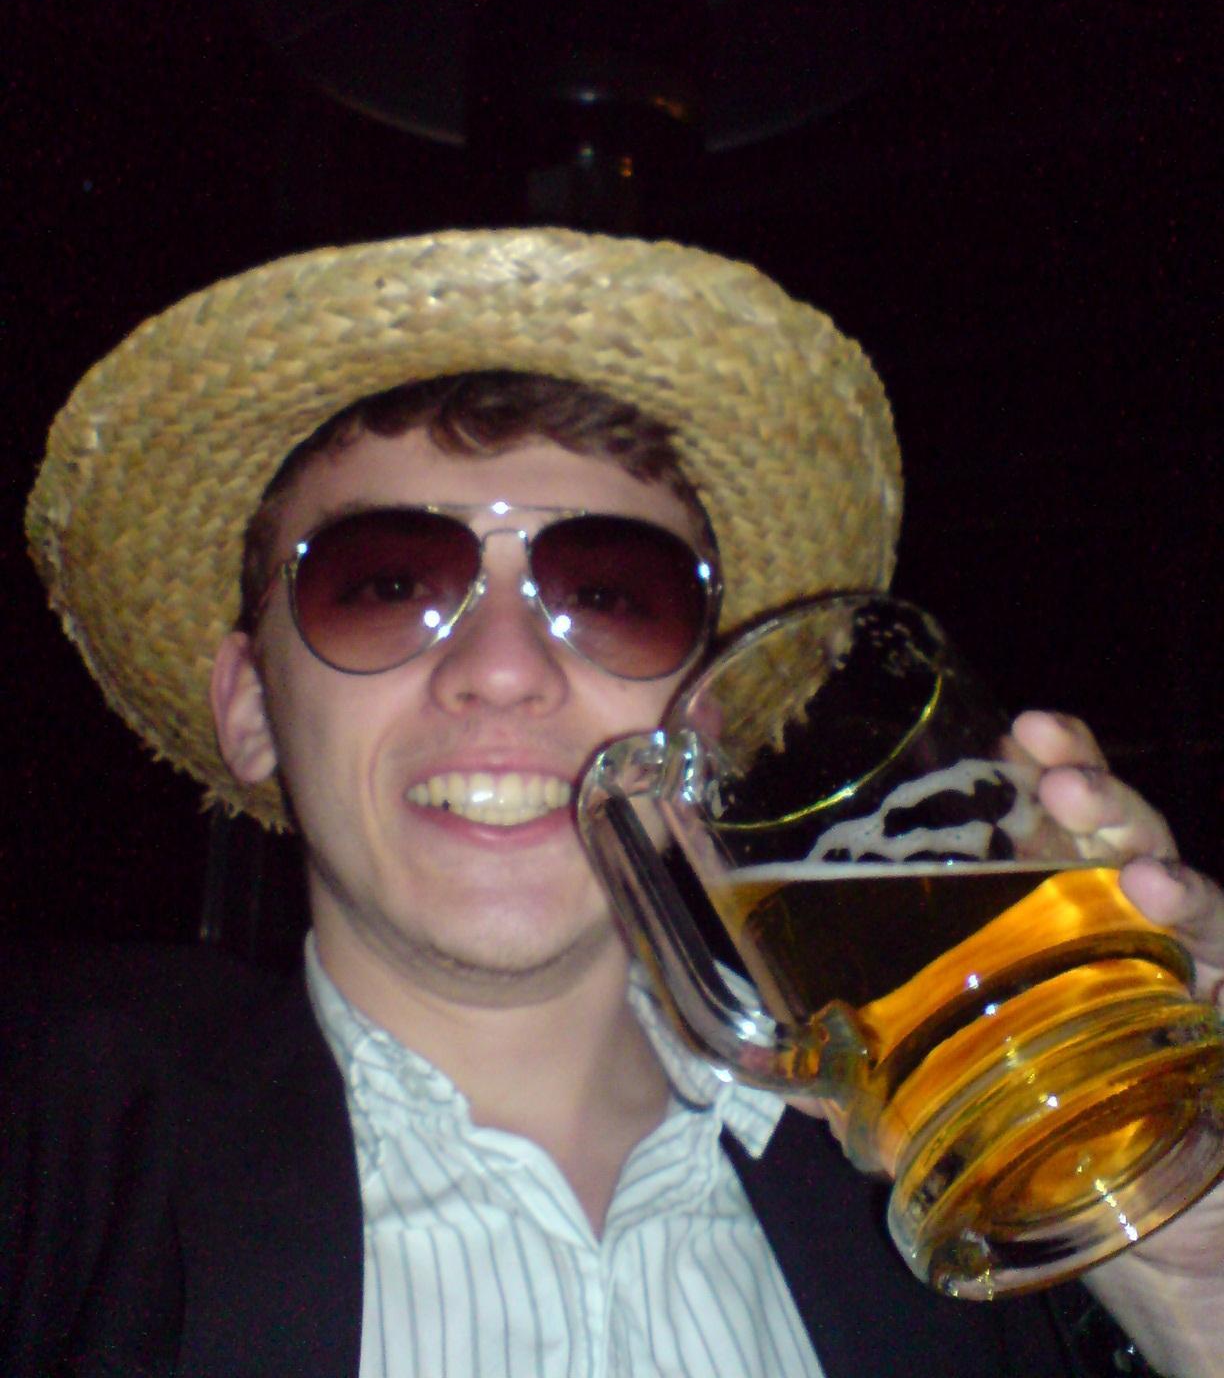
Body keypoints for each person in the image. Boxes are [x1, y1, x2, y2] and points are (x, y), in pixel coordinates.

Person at [7, 228, 1223, 1376]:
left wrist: (1187, 1278)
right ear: (252, 708)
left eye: (611, 594)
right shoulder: (58, 1143)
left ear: (705, 730)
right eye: (383, 584)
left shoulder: (959, 1186)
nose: (504, 669)